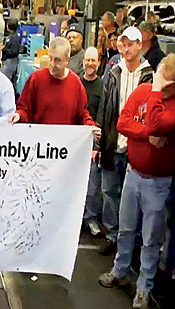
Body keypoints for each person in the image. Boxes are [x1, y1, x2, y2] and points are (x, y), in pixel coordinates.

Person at [99, 54, 175, 309]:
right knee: (126, 229)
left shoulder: (170, 103)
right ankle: (120, 271)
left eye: (163, 79)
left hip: (158, 181)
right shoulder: (141, 92)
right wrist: (147, 135)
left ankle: (144, 287)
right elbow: (123, 123)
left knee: (151, 239)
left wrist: (156, 91)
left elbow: (157, 122)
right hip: (133, 173)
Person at [95, 27, 153, 256]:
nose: (126, 49)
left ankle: (133, 242)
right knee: (109, 192)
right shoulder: (113, 72)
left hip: (136, 149)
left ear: (140, 45)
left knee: (134, 201)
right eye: (123, 45)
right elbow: (104, 106)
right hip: (113, 143)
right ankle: (112, 235)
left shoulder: (149, 75)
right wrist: (99, 141)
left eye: (131, 44)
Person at [10, 37, 100, 145]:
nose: (52, 64)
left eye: (57, 60)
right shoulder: (36, 79)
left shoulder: (76, 84)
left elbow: (82, 115)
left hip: (63, 150)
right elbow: (24, 108)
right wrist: (19, 115)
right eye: (50, 58)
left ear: (67, 60)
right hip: (38, 147)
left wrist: (91, 128)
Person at [80, 47, 104, 237]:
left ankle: (91, 218)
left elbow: (102, 116)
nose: (89, 64)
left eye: (93, 61)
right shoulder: (76, 84)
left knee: (92, 187)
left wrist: (97, 146)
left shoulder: (102, 86)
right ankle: (76, 218)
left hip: (92, 146)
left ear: (98, 62)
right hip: (75, 145)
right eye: (87, 60)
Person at [0, 18, 20, 88]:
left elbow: (14, 52)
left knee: (4, 83)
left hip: (10, 63)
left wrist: (4, 49)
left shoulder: (15, 38)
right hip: (6, 62)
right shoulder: (10, 36)